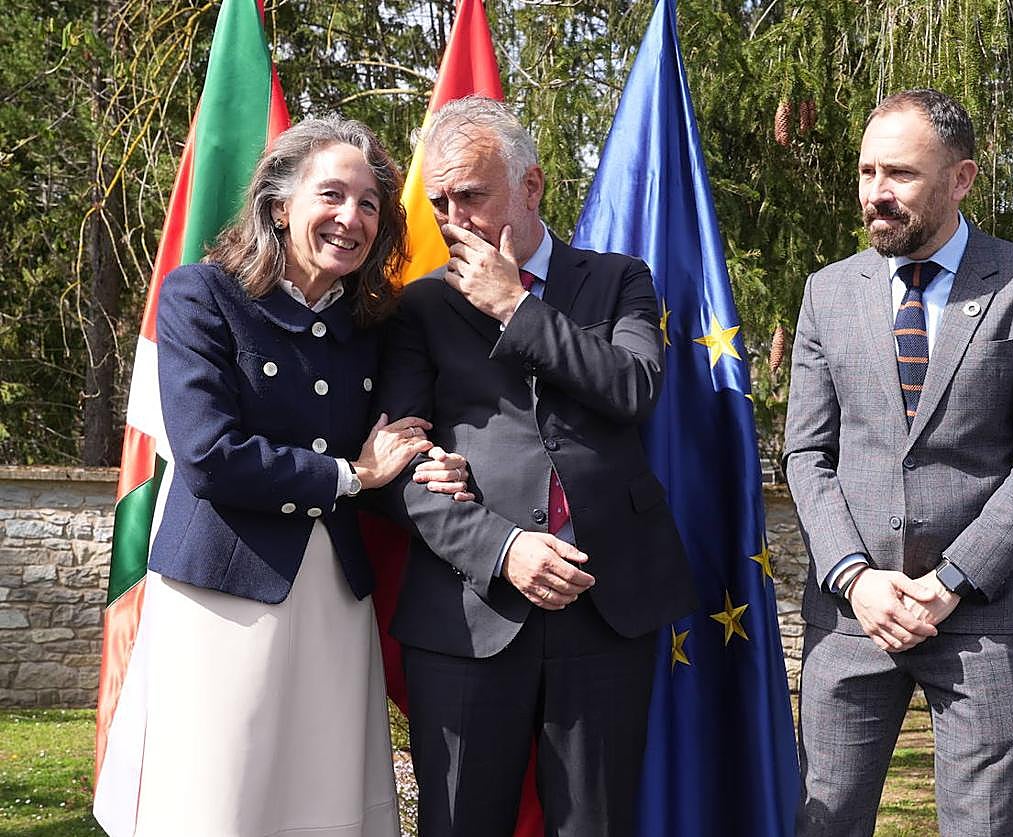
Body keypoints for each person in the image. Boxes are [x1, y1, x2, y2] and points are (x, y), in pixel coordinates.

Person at [93, 116, 472, 837]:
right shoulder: (201, 295)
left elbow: (396, 445)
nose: (352, 217)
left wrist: (435, 463)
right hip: (221, 590)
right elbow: (208, 454)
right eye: (332, 194)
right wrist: (349, 474)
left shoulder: (375, 324)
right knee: (218, 798)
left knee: (325, 800)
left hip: (334, 596)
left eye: (369, 204)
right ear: (278, 204)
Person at [372, 96, 697, 837]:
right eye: (439, 203)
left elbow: (634, 388)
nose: (454, 220)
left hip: (605, 607)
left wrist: (516, 306)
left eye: (471, 196)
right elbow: (393, 467)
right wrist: (503, 548)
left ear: (531, 186)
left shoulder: (618, 279)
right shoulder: (419, 308)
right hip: (467, 610)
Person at [783, 89, 1013, 836]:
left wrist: (950, 582)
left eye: (900, 174)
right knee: (822, 822)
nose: (876, 194)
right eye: (866, 172)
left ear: (961, 179)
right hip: (850, 617)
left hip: (981, 618)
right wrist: (854, 578)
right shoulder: (828, 291)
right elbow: (808, 453)